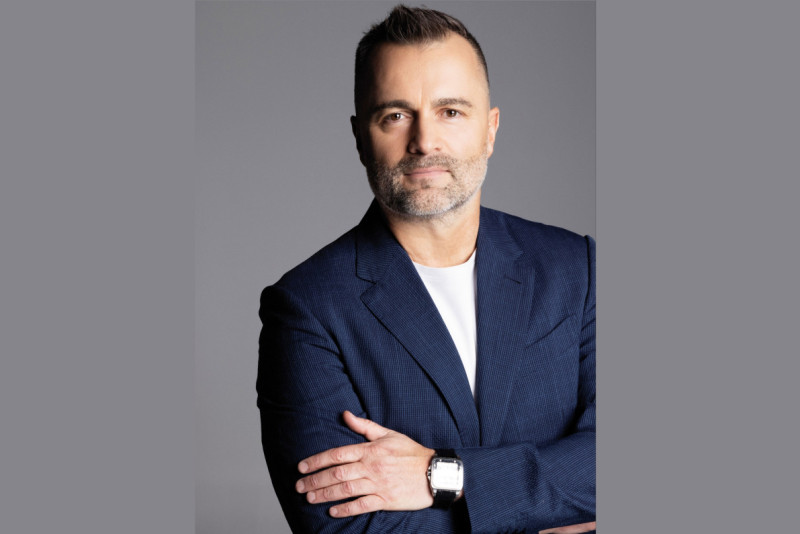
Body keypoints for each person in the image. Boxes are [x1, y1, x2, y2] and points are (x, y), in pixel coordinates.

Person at [257, 5, 595, 533]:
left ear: (490, 129)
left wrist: (443, 475)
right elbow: (340, 527)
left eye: (451, 112)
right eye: (395, 115)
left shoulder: (579, 268)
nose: (424, 142)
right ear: (359, 137)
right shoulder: (306, 308)